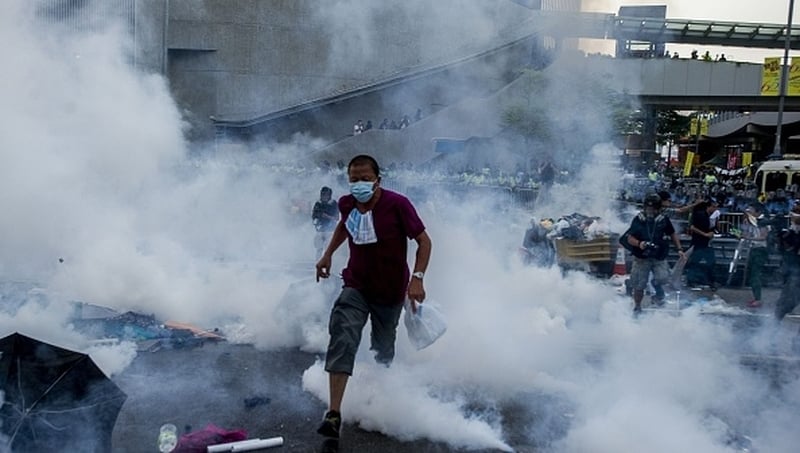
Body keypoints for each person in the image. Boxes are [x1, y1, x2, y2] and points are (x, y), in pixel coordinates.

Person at [315, 154, 432, 439]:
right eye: (354, 179)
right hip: (356, 285)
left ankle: (381, 400)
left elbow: (424, 242)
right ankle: (333, 414)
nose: (359, 185)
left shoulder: (398, 205)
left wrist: (417, 280)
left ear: (378, 180)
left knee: (383, 348)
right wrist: (327, 254)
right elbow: (345, 225)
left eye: (365, 179)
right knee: (343, 335)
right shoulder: (346, 203)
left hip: (390, 291)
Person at [622, 194, 685, 314]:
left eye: (654, 208)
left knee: (663, 278)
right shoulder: (638, 219)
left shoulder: (663, 220)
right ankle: (637, 307)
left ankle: (657, 291)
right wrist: (640, 244)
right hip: (642, 257)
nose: (651, 211)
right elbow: (630, 237)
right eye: (648, 208)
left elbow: (672, 234)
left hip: (659, 256)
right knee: (639, 284)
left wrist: (679, 249)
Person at [739, 203, 770, 308]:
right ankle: (756, 297)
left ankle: (758, 299)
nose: (749, 211)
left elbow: (763, 237)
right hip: (754, 248)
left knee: (755, 274)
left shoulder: (762, 222)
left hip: (760, 250)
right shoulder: (752, 222)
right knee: (752, 274)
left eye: (751, 210)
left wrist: (748, 238)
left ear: (758, 211)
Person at [685, 200, 717, 290]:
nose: (715, 209)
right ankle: (691, 281)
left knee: (710, 262)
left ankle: (710, 281)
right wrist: (705, 234)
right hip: (698, 242)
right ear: (709, 206)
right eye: (714, 207)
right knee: (695, 261)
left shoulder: (708, 216)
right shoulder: (700, 214)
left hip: (705, 243)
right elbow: (692, 227)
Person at [775, 205, 800, 320]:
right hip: (794, 272)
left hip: (796, 272)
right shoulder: (791, 232)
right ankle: (772, 328)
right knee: (785, 303)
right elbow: (784, 248)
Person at [312, 186, 339, 258]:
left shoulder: (334, 204)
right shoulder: (318, 204)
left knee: (328, 248)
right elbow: (314, 216)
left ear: (330, 195)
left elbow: (337, 218)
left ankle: (328, 261)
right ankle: (318, 262)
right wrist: (318, 218)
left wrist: (327, 217)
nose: (324, 196)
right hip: (320, 229)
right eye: (323, 194)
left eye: (326, 194)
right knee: (319, 248)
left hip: (330, 230)